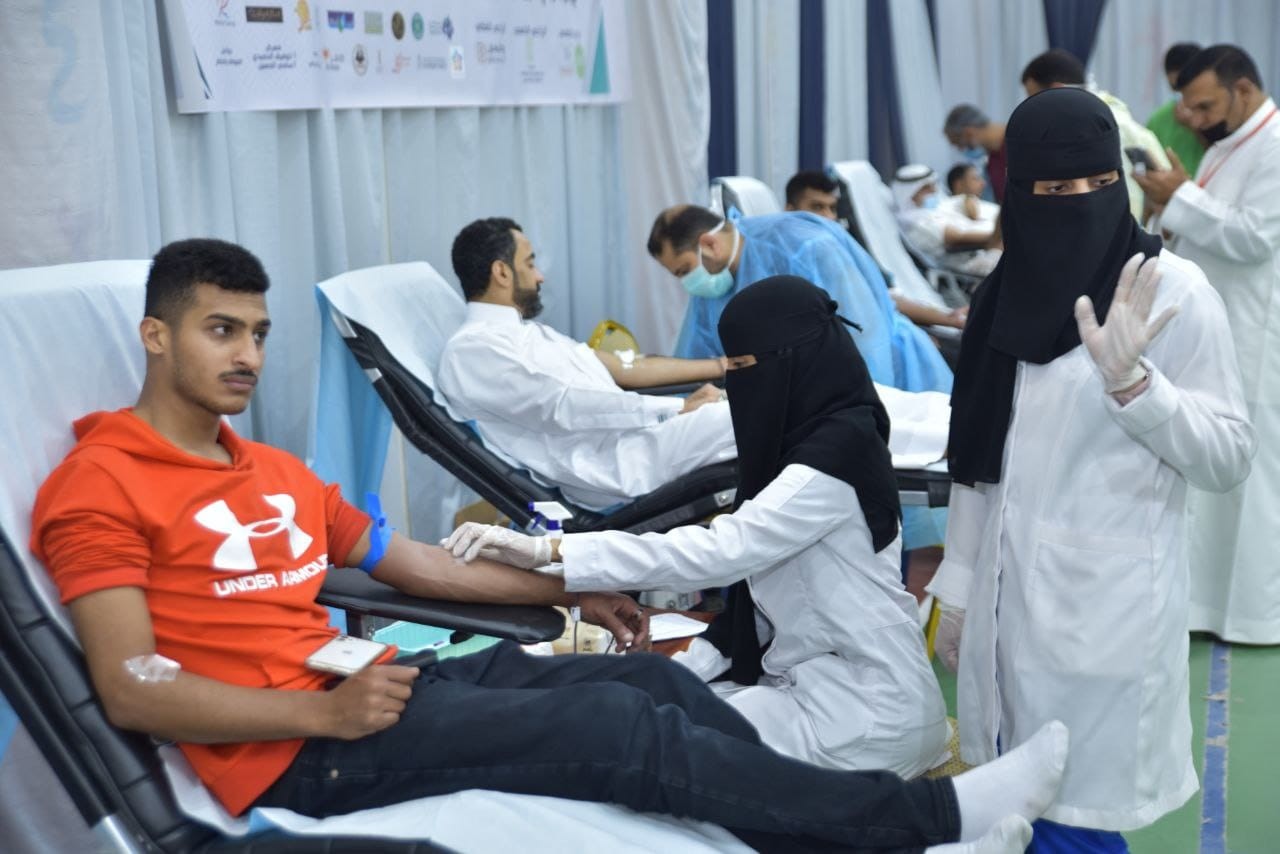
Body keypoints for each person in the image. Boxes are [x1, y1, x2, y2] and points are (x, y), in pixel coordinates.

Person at [31, 237, 1070, 854]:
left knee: (648, 686)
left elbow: (416, 565)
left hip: (368, 684)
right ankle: (920, 820)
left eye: (257, 333)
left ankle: (820, 828)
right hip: (297, 751)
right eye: (220, 330)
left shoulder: (269, 471)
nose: (248, 355)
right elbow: (131, 687)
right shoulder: (99, 485)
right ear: (156, 335)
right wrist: (319, 712)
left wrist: (569, 597)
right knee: (620, 732)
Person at [446, 276, 950, 779]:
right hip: (821, 687)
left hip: (866, 713)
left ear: (791, 360)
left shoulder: (832, 461)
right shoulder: (804, 444)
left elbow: (723, 550)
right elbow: (751, 608)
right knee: (641, 707)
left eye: (744, 369)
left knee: (639, 744)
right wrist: (673, 672)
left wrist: (552, 550)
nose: (738, 386)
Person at [929, 88, 1254, 850]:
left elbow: (1228, 457)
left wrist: (1139, 389)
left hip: (1106, 616)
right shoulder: (1003, 294)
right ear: (1019, 193)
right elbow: (980, 457)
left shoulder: (1173, 292)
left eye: (1096, 183)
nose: (1077, 201)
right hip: (1004, 608)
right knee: (1012, 808)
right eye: (1053, 188)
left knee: (1078, 820)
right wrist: (960, 585)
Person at [437, 218, 734, 510]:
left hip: (638, 440)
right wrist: (676, 408)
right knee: (750, 416)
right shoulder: (472, 350)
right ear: (502, 272)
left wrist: (722, 366)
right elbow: (563, 405)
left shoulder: (528, 333)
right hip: (618, 464)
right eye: (529, 264)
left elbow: (622, 367)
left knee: (748, 405)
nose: (539, 276)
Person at [1136, 44, 1280, 645]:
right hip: (1223, 327)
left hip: (1258, 333)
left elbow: (1255, 238)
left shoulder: (1274, 145)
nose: (1193, 119)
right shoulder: (1230, 144)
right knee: (1214, 472)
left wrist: (1182, 197)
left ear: (1242, 89)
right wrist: (1169, 208)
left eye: (1204, 106)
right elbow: (1208, 227)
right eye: (1189, 108)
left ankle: (1256, 614)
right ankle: (1212, 607)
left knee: (1255, 476)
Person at [647, 204, 953, 394]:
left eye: (685, 270)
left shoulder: (805, 247)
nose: (688, 282)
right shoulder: (713, 282)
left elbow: (863, 336)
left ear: (709, 244)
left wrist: (864, 404)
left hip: (891, 377)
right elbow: (696, 353)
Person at [1020, 48, 1171, 222]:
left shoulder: (1096, 128)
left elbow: (1124, 203)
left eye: (1034, 98)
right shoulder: (1113, 117)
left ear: (1057, 90)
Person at [892, 164, 1001, 278]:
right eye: (926, 187)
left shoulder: (933, 210)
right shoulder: (913, 220)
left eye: (933, 184)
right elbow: (959, 237)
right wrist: (999, 235)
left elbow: (968, 206)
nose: (934, 190)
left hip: (981, 253)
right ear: (911, 192)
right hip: (966, 264)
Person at [1146, 42, 1207, 178]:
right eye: (1175, 88)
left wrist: (1194, 127)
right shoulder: (1159, 119)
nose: (1182, 94)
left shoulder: (1216, 113)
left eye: (1187, 86)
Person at [943, 105, 1007, 203]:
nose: (961, 150)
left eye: (959, 144)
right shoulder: (992, 160)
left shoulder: (1020, 142)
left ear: (969, 133)